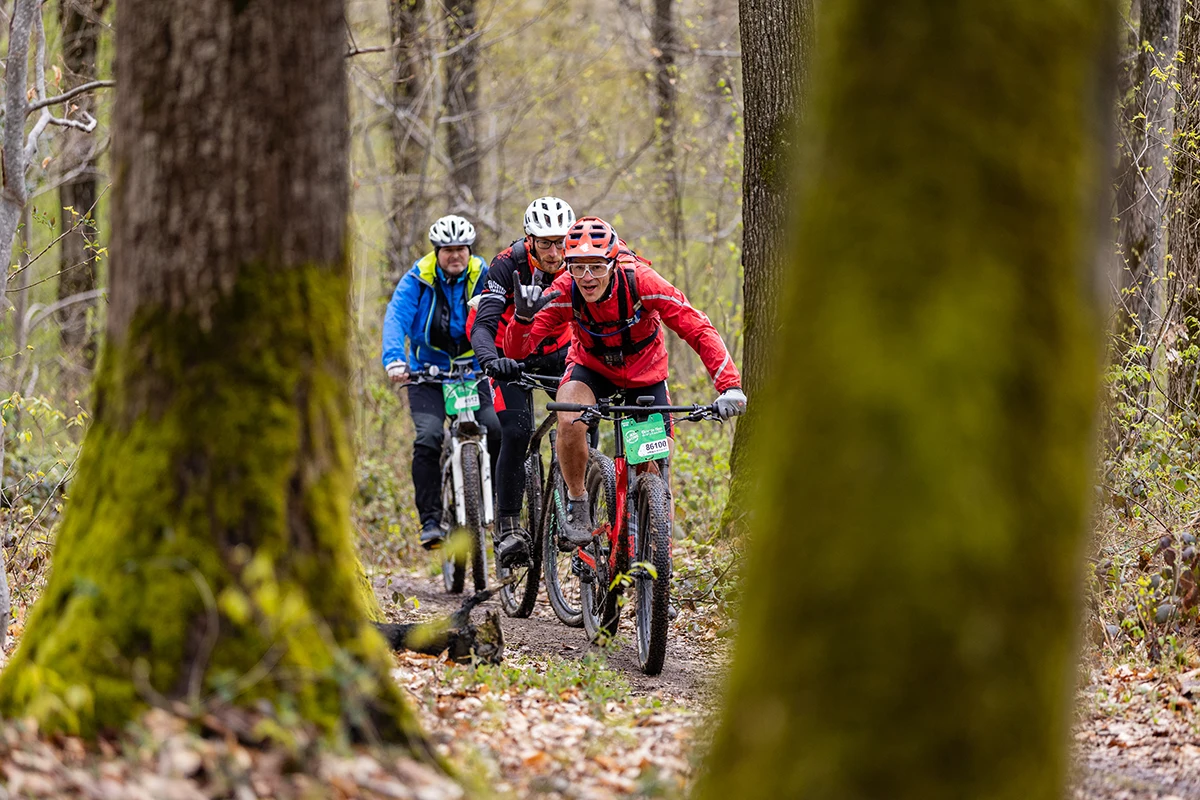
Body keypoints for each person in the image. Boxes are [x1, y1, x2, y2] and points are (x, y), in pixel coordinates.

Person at [504, 216, 748, 544]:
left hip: (645, 375)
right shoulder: (563, 290)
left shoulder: (643, 282)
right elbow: (518, 349)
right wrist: (522, 318)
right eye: (578, 268)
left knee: (655, 471)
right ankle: (578, 502)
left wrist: (729, 385)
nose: (587, 278)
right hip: (590, 370)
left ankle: (654, 556)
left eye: (597, 267)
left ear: (614, 262)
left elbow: (696, 326)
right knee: (570, 418)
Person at [382, 214, 501, 550]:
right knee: (429, 437)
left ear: (469, 250)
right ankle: (431, 520)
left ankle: (500, 512)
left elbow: (503, 315)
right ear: (437, 252)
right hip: (427, 375)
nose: (455, 256)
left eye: (460, 249)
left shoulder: (483, 276)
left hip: (474, 371)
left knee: (495, 428)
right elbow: (396, 317)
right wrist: (394, 359)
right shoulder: (418, 279)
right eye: (447, 249)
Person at [470, 196, 576, 567]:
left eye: (562, 241)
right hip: (510, 355)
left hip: (559, 351)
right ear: (529, 240)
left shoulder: (578, 262)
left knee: (581, 420)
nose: (555, 251)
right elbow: (483, 324)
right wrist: (491, 360)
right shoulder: (506, 264)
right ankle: (509, 526)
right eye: (545, 242)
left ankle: (578, 505)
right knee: (515, 432)